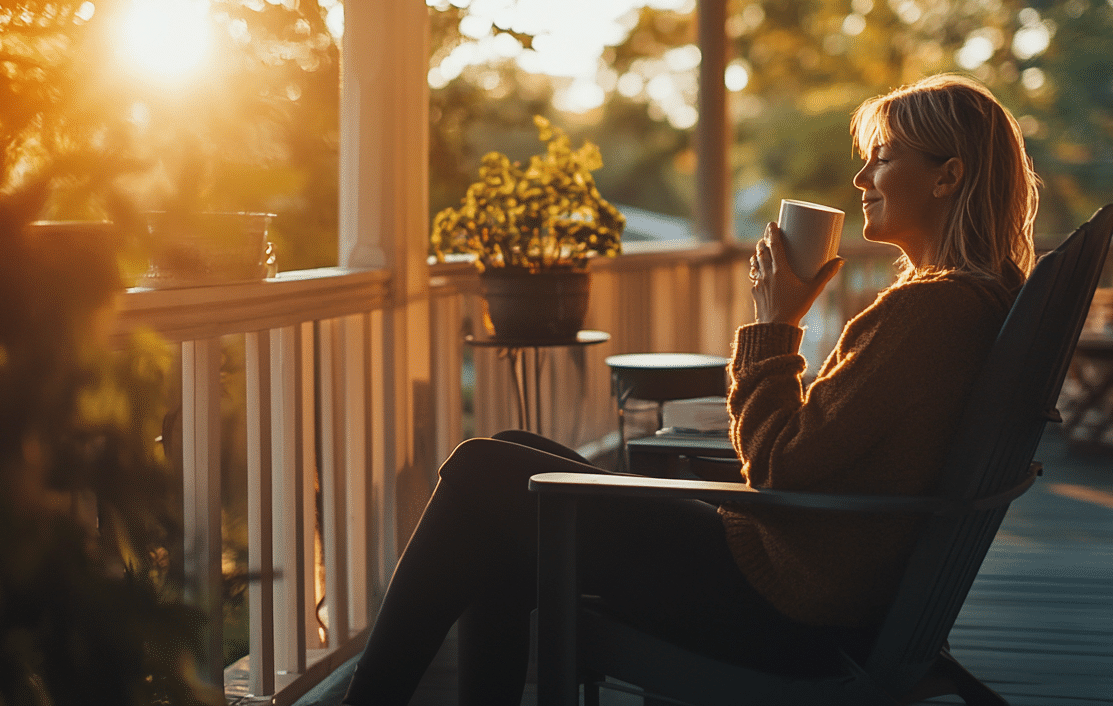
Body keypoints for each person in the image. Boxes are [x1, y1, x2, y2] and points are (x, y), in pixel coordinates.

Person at [342, 73, 1039, 705]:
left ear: (948, 177)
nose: (861, 177)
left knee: (482, 471)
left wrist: (776, 324)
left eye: (883, 157)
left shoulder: (929, 312)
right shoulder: (971, 303)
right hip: (818, 583)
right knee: (511, 462)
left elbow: (778, 466)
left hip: (784, 606)